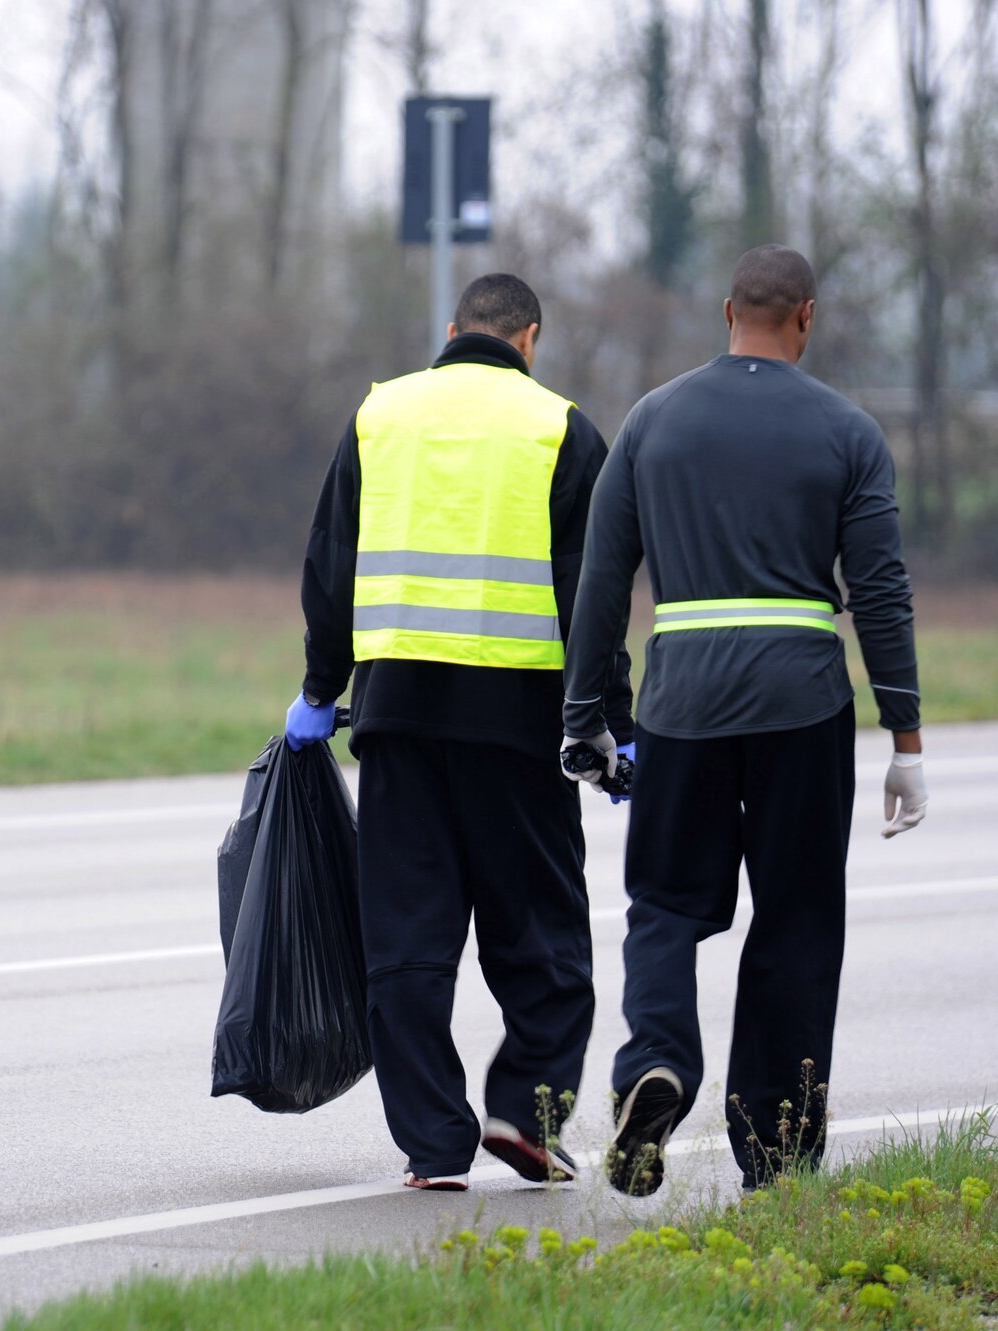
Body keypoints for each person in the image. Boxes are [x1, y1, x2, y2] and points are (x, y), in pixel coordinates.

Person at [561, 244, 928, 1197]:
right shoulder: (847, 431)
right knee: (798, 918)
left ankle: (660, 1057)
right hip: (803, 705)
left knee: (666, 905)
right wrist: (907, 740)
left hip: (682, 702)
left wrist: (588, 714)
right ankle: (777, 1154)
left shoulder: (653, 421)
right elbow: (882, 594)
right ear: (807, 317)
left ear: (729, 312)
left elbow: (602, 583)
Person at [289, 272, 633, 1191]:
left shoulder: (381, 417)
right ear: (530, 338)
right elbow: (589, 600)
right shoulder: (561, 428)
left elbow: (331, 564)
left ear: (451, 331)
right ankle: (525, 1109)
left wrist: (322, 687)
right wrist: (613, 723)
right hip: (521, 728)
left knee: (406, 941)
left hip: (397, 718)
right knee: (545, 937)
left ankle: (434, 1145)